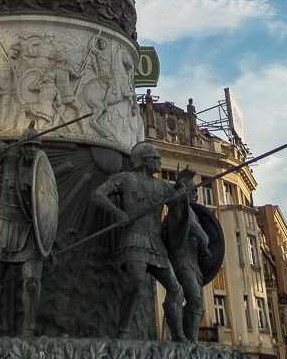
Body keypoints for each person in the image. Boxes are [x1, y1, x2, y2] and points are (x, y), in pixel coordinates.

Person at [91, 142, 185, 340]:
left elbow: (178, 216)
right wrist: (118, 212)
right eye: (156, 158)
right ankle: (123, 331)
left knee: (176, 289)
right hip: (134, 239)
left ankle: (178, 336)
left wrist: (180, 198)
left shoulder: (163, 186)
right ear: (144, 161)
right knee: (136, 283)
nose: (160, 162)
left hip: (156, 243)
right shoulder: (126, 179)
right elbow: (97, 195)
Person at [0, 122, 53, 337]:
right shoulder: (9, 160)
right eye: (29, 146)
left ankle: (28, 329)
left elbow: (48, 206)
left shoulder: (40, 171)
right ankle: (0, 327)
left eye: (36, 146)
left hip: (30, 232)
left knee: (32, 282)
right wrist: (0, 146)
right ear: (21, 147)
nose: (33, 150)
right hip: (4, 228)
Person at [162, 167, 212, 342]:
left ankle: (187, 340)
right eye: (191, 191)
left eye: (196, 191)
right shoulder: (182, 210)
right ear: (184, 193)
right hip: (183, 262)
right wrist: (205, 247)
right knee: (195, 300)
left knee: (199, 307)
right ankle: (188, 343)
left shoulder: (185, 212)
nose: (195, 195)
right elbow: (201, 235)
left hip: (192, 264)